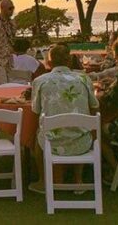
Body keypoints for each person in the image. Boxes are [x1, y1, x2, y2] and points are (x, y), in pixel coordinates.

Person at [30, 44, 98, 193]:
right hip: (82, 141)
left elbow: (35, 111)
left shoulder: (40, 81)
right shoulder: (84, 79)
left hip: (52, 141)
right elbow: (94, 106)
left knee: (37, 135)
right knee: (80, 128)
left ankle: (44, 180)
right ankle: (78, 179)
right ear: (69, 62)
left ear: (49, 62)